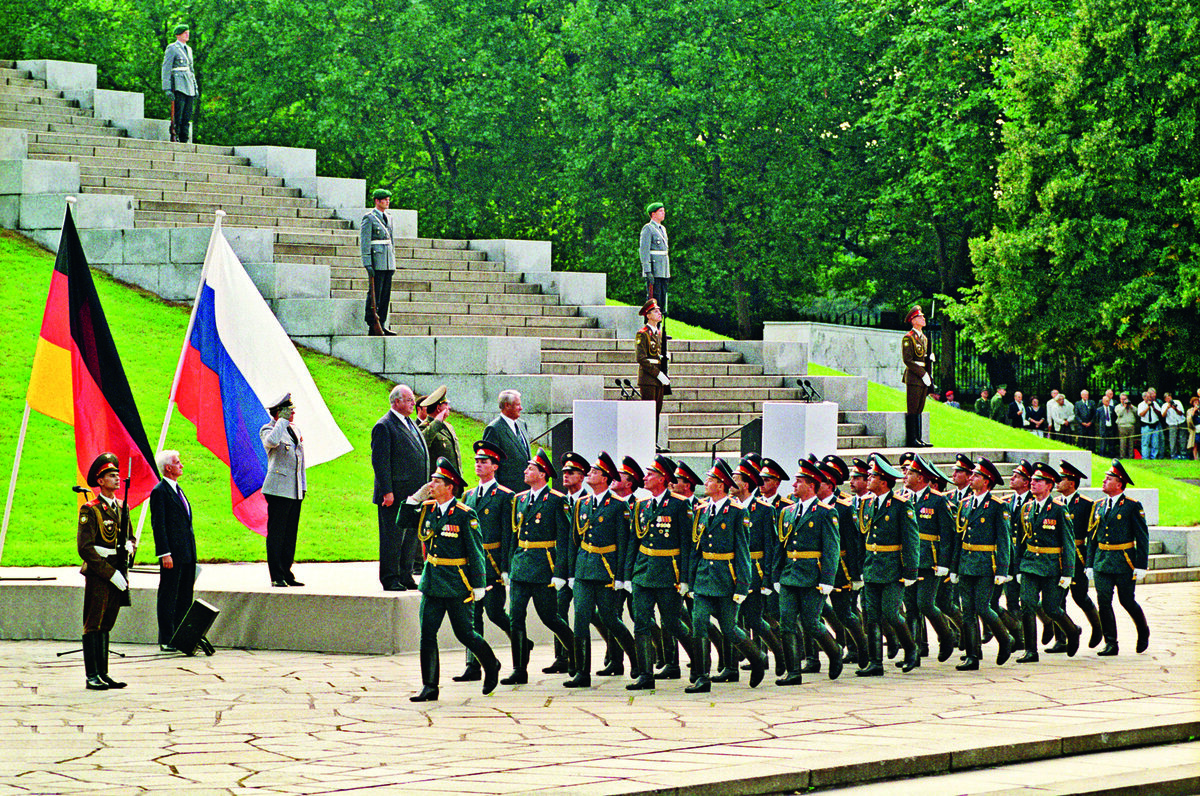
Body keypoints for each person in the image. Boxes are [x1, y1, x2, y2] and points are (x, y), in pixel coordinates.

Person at [407, 458, 501, 702]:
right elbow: (402, 521)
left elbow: (475, 551)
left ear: (450, 487)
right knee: (427, 633)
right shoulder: (428, 508)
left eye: (437, 481)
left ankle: (491, 664)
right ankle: (430, 686)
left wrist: (479, 584)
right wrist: (413, 500)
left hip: (457, 584)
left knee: (465, 633)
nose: (432, 485)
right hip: (432, 582)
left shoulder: (464, 514)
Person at [685, 459, 767, 693]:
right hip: (704, 577)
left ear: (721, 485)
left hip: (726, 578)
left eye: (710, 480)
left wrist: (742, 586)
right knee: (698, 624)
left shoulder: (737, 512)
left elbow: (743, 551)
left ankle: (757, 657)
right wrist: (691, 581)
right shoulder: (701, 510)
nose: (707, 483)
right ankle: (702, 677)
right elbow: (695, 549)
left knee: (729, 628)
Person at [500, 449, 575, 685]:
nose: (525, 471)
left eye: (530, 468)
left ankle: (575, 654)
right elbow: (514, 535)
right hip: (522, 566)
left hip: (544, 568)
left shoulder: (556, 500)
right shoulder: (520, 499)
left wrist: (562, 572)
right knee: (515, 618)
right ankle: (519, 668)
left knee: (550, 617)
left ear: (543, 474)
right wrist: (508, 566)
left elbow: (563, 540)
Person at [563, 452, 637, 688]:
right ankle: (582, 672)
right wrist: (572, 572)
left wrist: (622, 577)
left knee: (611, 619)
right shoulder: (581, 504)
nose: (590, 475)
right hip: (584, 570)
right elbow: (574, 540)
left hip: (606, 571)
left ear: (605, 478)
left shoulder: (618, 506)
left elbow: (624, 543)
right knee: (581, 619)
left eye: (595, 472)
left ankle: (636, 659)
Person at [626, 454, 695, 688]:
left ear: (663, 478)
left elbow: (687, 544)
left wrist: (685, 578)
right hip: (643, 572)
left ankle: (698, 662)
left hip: (668, 574)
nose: (645, 478)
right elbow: (633, 542)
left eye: (650, 474)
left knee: (672, 622)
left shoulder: (679, 504)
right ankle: (646, 675)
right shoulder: (641, 505)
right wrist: (628, 574)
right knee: (641, 622)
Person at [773, 459, 841, 685]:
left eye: (799, 482)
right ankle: (793, 672)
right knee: (787, 623)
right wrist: (776, 575)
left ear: (811, 485)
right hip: (789, 574)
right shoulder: (788, 511)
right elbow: (780, 546)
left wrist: (828, 579)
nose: (794, 486)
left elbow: (831, 548)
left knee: (811, 623)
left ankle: (834, 652)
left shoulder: (825, 512)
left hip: (812, 575)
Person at [455, 441, 518, 683]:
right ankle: (473, 665)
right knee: (472, 616)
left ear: (495, 466)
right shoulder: (468, 495)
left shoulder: (504, 495)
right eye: (477, 461)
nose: (479, 465)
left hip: (491, 564)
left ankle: (520, 640)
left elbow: (507, 533)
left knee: (494, 612)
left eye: (484, 462)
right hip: (472, 564)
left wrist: (505, 567)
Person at [855, 456, 920, 676]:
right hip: (872, 566)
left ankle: (911, 649)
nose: (868, 479)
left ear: (883, 481)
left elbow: (911, 539)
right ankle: (875, 662)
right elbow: (861, 538)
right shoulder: (867, 503)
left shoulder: (901, 505)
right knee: (871, 615)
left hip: (893, 568)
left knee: (891, 613)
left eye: (872, 476)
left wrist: (911, 570)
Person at [947, 457, 1013, 671]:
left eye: (976, 475)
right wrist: (954, 567)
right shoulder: (965, 503)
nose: (972, 478)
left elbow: (1004, 540)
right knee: (967, 611)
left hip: (987, 565)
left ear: (986, 481)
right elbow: (959, 537)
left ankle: (1005, 639)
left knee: (983, 607)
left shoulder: (997, 506)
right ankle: (972, 655)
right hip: (966, 564)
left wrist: (1003, 569)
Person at [1014, 463, 1081, 662]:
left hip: (1052, 566)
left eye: (1038, 481)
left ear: (1049, 485)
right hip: (1029, 564)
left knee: (1052, 608)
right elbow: (1020, 540)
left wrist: (1068, 572)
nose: (1033, 484)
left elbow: (1068, 542)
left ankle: (1072, 632)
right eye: (1032, 480)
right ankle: (1031, 651)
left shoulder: (1059, 509)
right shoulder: (1026, 508)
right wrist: (1018, 566)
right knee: (1027, 604)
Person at [78, 453, 134, 690]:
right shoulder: (90, 509)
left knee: (107, 622)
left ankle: (103, 672)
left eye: (117, 475)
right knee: (94, 623)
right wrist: (110, 573)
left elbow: (129, 536)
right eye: (111, 476)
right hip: (100, 573)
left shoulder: (123, 506)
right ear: (100, 481)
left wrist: (131, 546)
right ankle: (92, 674)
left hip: (118, 569)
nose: (117, 479)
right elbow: (85, 548)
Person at [1085, 460, 1150, 656]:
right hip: (1102, 561)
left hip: (1124, 561)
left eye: (1109, 479)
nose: (1104, 481)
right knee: (1103, 601)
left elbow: (1142, 537)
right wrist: (1089, 563)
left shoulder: (1131, 506)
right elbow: (1092, 537)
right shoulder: (1098, 505)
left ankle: (1143, 631)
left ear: (1119, 484)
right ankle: (1111, 642)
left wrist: (1141, 565)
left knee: (1127, 600)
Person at [371, 384, 428, 591]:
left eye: (413, 399)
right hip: (395, 495)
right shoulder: (384, 426)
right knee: (392, 537)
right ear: (396, 402)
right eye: (409, 400)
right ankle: (390, 577)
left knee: (410, 537)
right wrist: (387, 491)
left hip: (414, 494)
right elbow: (380, 461)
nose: (414, 403)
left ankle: (405, 575)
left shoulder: (410, 423)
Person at [902, 455, 958, 665]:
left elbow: (947, 534)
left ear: (921, 478)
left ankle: (947, 637)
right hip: (908, 560)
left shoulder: (937, 499)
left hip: (930, 560)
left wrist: (945, 563)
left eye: (911, 473)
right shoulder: (903, 498)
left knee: (925, 603)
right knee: (911, 607)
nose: (906, 476)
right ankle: (913, 652)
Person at [1053, 460, 1102, 651]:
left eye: (1061, 479)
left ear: (1072, 483)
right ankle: (1061, 638)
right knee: (1056, 599)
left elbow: (1092, 535)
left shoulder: (1086, 504)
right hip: (1057, 557)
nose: (1057, 482)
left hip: (1078, 556)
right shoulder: (1055, 504)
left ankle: (1098, 628)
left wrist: (1089, 562)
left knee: (1080, 596)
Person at [150, 449, 196, 652]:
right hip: (172, 555)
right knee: (169, 595)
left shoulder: (178, 489)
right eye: (178, 463)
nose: (181, 465)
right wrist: (164, 553)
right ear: (168, 468)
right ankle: (166, 637)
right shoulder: (160, 491)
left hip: (186, 552)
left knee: (185, 595)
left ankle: (181, 634)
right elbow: (158, 525)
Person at [261, 393, 305, 588]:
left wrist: (302, 486)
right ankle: (276, 574)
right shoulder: (269, 428)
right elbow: (271, 443)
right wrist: (281, 422)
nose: (293, 412)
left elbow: (300, 461)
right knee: (277, 533)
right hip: (278, 489)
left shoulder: (294, 429)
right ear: (279, 412)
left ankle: (287, 571)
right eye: (289, 410)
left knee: (290, 533)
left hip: (294, 488)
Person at [359, 188, 397, 336]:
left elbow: (391, 241)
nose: (387, 201)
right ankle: (372, 323)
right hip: (377, 260)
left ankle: (382, 324)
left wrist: (393, 261)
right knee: (375, 293)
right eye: (384, 199)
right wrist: (367, 262)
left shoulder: (389, 217)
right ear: (377, 201)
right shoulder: (369, 218)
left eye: (388, 199)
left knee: (385, 295)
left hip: (387, 261)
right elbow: (365, 242)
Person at [482, 390, 531, 493]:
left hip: (527, 490)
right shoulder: (494, 429)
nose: (521, 408)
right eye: (518, 405)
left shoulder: (522, 425)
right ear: (507, 405)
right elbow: (490, 464)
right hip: (507, 491)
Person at [900, 305, 933, 448]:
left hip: (923, 377)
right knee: (912, 408)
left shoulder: (924, 338)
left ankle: (919, 438)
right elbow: (908, 360)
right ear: (913, 321)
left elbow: (925, 359)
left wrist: (929, 373)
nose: (923, 318)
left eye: (923, 316)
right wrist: (923, 373)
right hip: (914, 377)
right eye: (920, 317)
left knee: (919, 408)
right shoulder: (908, 338)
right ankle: (912, 439)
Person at [160, 24, 198, 143]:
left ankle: (184, 138)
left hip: (189, 84)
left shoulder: (189, 49)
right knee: (179, 112)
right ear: (178, 35)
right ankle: (175, 134)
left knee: (187, 114)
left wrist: (195, 86)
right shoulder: (172, 48)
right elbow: (166, 68)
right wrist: (167, 88)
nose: (187, 35)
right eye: (184, 33)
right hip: (179, 84)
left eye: (188, 33)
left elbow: (191, 69)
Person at [635, 299, 668, 428]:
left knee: (657, 412)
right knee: (648, 414)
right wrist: (657, 373)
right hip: (648, 379)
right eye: (655, 311)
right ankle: (647, 442)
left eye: (659, 310)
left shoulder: (659, 334)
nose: (659, 313)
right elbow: (641, 358)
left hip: (659, 379)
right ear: (648, 315)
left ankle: (654, 443)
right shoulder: (642, 334)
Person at [418, 386, 459, 476]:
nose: (449, 407)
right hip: (438, 483)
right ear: (438, 408)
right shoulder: (425, 427)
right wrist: (436, 422)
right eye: (446, 405)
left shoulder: (448, 426)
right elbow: (421, 443)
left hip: (453, 481)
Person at [639, 201, 670, 312]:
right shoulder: (648, 228)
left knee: (662, 300)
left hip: (663, 270)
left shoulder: (663, 229)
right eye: (660, 211)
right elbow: (644, 251)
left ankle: (659, 327)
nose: (663, 213)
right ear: (653, 214)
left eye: (663, 211)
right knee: (654, 300)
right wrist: (647, 270)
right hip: (654, 270)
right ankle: (652, 326)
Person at [1138, 389, 1163, 459]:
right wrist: (1148, 407)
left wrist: (1153, 407)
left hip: (1155, 425)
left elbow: (1160, 413)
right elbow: (1141, 414)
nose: (1149, 398)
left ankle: (1153, 457)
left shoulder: (1155, 403)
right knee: (1145, 443)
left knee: (1155, 443)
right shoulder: (1141, 405)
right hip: (1146, 426)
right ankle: (1145, 458)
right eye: (1147, 397)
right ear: (1144, 397)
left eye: (1150, 397)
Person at [1163, 391, 1187, 459]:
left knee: (1182, 438)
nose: (1169, 399)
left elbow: (1181, 413)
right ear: (1165, 400)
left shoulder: (1178, 402)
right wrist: (1167, 408)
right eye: (1167, 398)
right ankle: (1173, 455)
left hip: (1181, 422)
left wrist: (1175, 409)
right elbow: (1163, 415)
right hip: (1172, 423)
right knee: (1173, 439)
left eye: (1169, 397)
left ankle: (1183, 454)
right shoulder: (1164, 405)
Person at [1115, 392, 1138, 457]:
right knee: (1123, 442)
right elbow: (1119, 414)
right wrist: (1124, 406)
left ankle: (1131, 456)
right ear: (1120, 399)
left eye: (1125, 399)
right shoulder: (1118, 407)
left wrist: (1131, 406)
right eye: (1122, 399)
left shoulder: (1131, 406)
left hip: (1131, 425)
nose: (1124, 401)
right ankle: (1122, 456)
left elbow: (1137, 412)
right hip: (1122, 426)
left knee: (1131, 442)